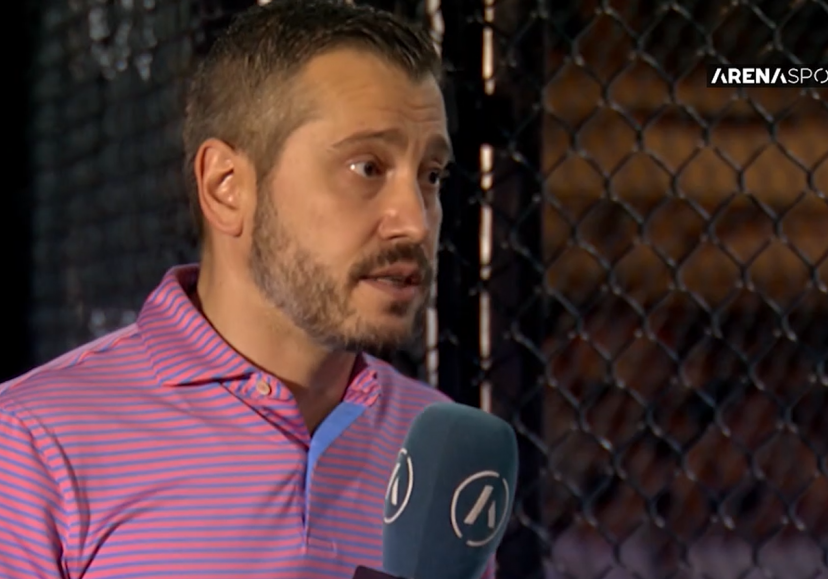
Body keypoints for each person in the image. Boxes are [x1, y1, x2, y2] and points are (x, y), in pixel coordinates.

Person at [0, 1, 495, 577]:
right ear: (226, 186)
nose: (415, 220)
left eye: (431, 176)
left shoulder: (439, 443)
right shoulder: (33, 443)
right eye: (366, 167)